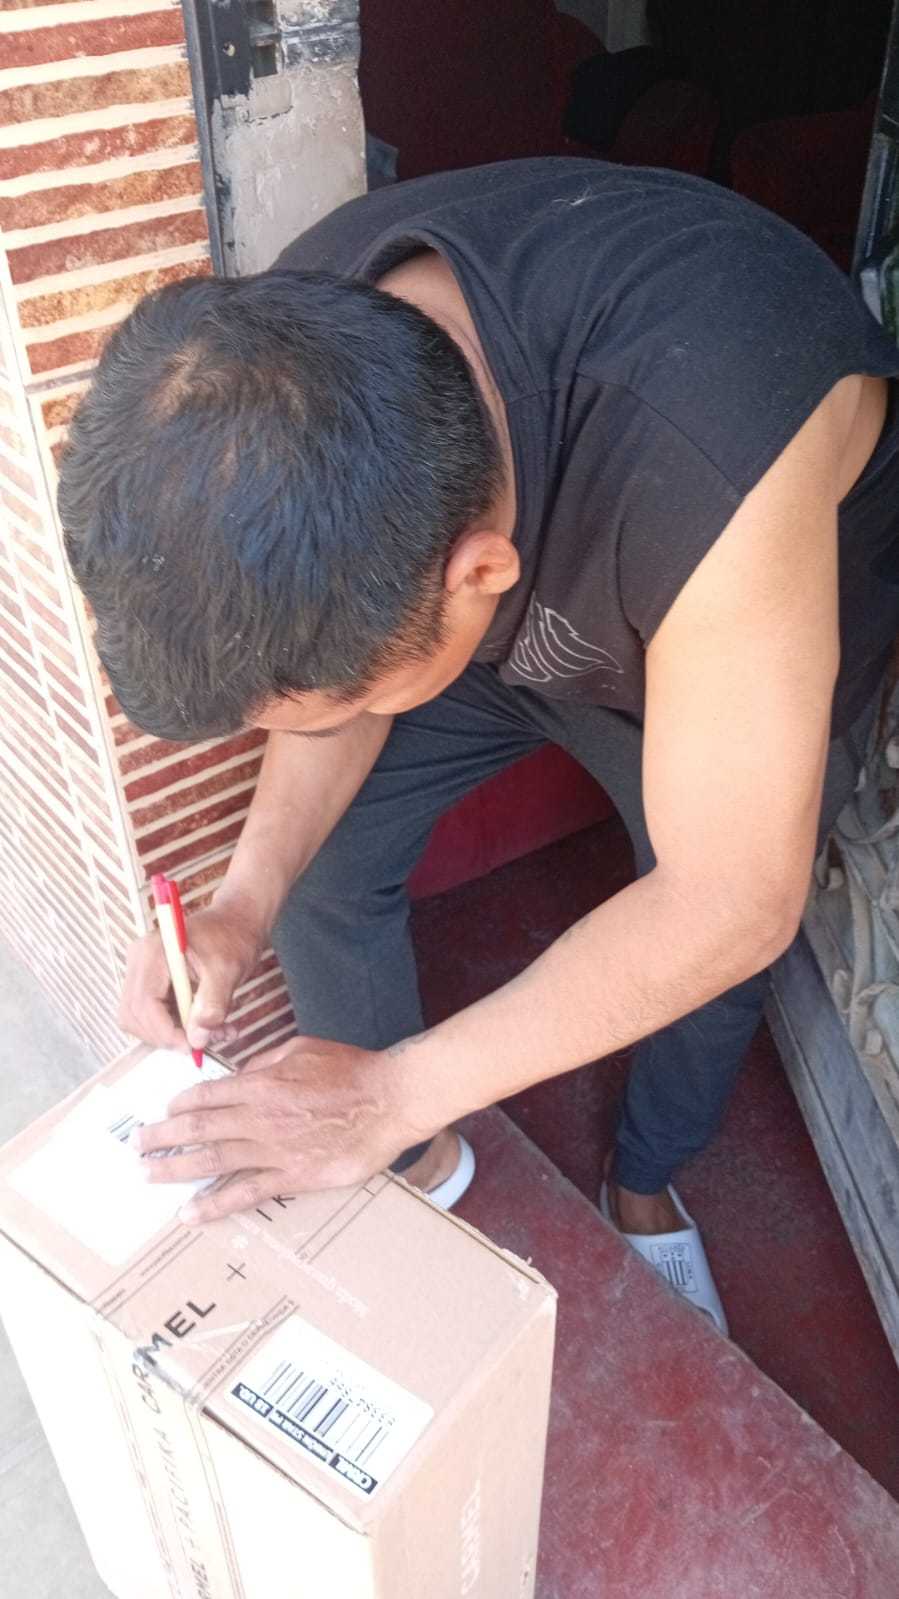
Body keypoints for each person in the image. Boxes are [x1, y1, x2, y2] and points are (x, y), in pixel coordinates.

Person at [59, 159, 899, 1334]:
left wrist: (392, 1089)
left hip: (712, 637)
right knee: (322, 864)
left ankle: (643, 1182)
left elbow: (730, 901)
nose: (305, 733)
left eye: (323, 706)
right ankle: (407, 1163)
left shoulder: (718, 440)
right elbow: (339, 677)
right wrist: (242, 904)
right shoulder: (288, 357)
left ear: (479, 576)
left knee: (705, 951)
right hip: (490, 631)